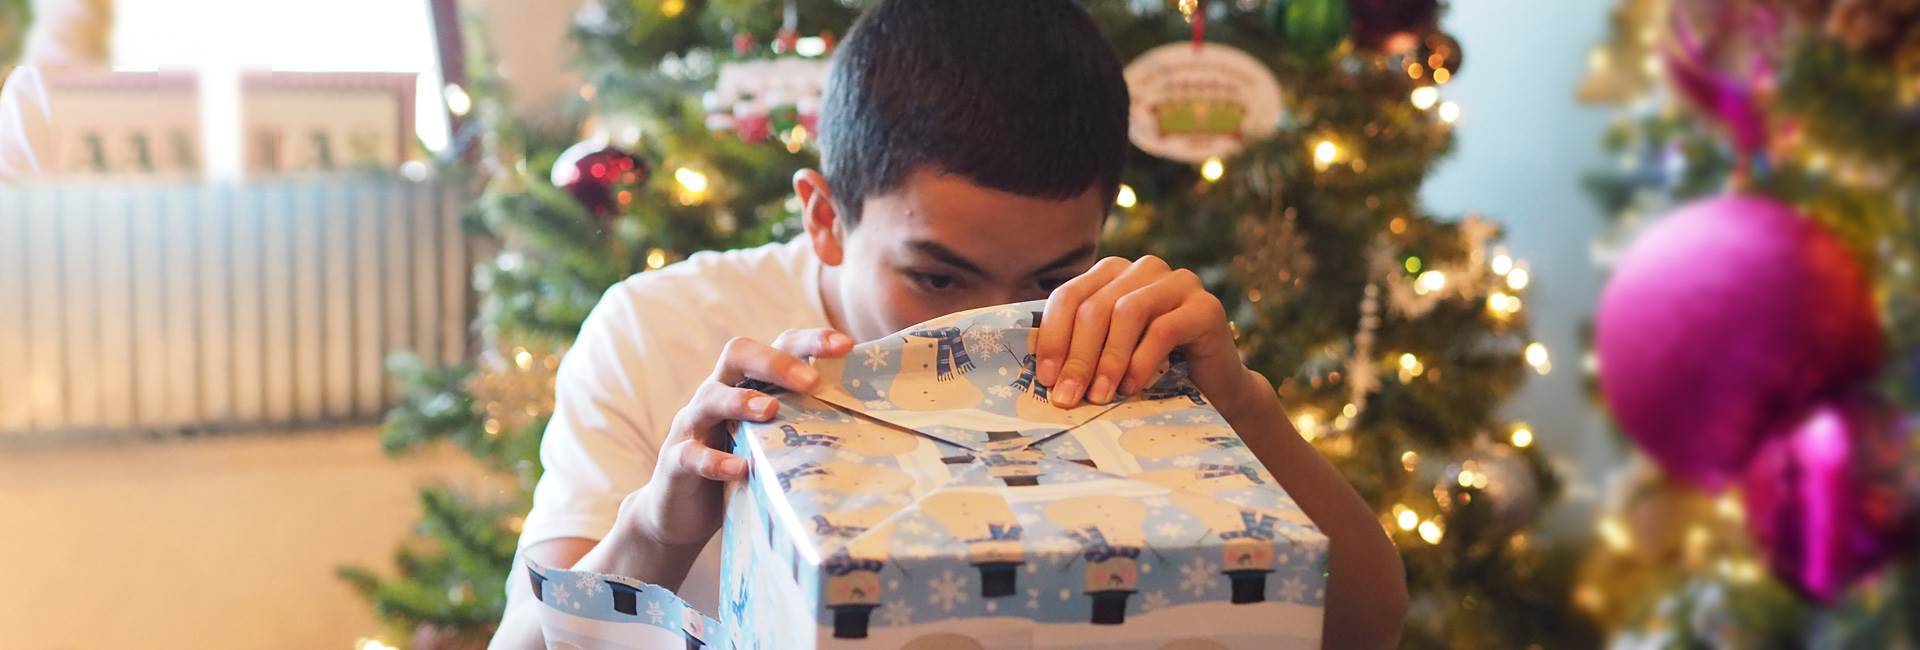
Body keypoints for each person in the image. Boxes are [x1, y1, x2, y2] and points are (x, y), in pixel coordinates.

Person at [489, 0, 1407, 647]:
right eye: (936, 277)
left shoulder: (1124, 341)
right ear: (825, 217)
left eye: (1051, 276)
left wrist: (1239, 404)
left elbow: (1364, 628)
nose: (989, 326)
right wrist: (658, 525)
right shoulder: (657, 331)